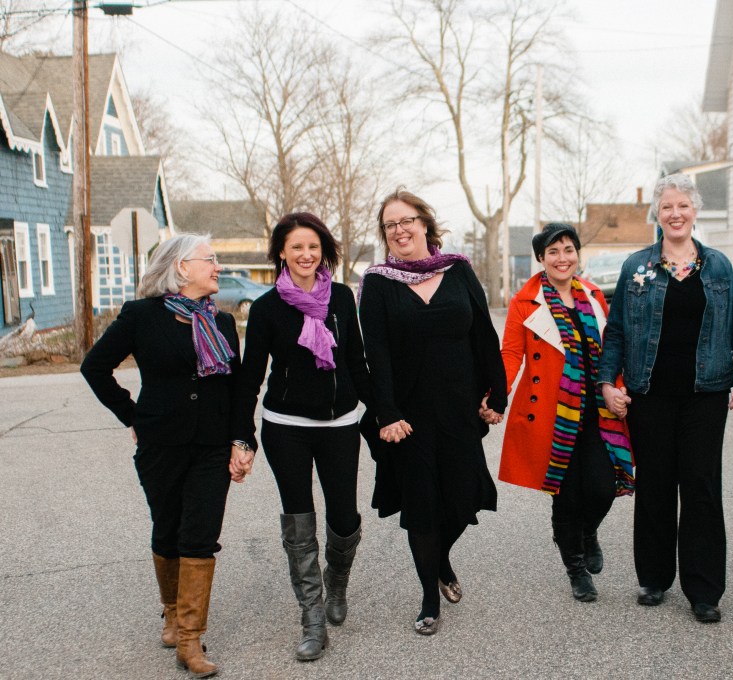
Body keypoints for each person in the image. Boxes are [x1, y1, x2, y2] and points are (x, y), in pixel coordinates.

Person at [598, 173, 733, 624]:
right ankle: (653, 578)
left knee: (701, 487)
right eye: (667, 206)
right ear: (657, 212)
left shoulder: (719, 267)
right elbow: (617, 331)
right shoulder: (637, 267)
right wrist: (607, 383)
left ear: (695, 211)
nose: (675, 214)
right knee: (655, 485)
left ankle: (704, 590)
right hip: (649, 394)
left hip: (705, 395)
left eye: (683, 206)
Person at [81, 234, 242, 678]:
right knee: (168, 529)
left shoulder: (223, 322)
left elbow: (235, 388)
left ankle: (190, 640)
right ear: (181, 267)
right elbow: (95, 367)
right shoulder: (141, 316)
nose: (218, 267)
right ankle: (171, 614)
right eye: (210, 259)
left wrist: (240, 441)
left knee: (200, 535)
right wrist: (132, 415)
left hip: (211, 445)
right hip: (160, 445)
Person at [358, 188, 507, 636]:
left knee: (465, 496)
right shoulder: (378, 282)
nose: (399, 230)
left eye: (406, 220)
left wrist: (497, 394)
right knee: (422, 504)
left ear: (425, 223)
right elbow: (376, 353)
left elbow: (484, 336)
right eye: (390, 225)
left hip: (460, 408)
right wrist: (386, 412)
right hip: (409, 416)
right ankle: (428, 598)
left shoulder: (458, 271)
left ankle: (440, 558)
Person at [230, 213, 373, 660]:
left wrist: (385, 413)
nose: (306, 254)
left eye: (313, 246)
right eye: (296, 247)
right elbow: (251, 376)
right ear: (282, 253)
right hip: (286, 426)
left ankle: (337, 584)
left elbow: (356, 362)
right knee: (299, 520)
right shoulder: (267, 307)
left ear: (323, 250)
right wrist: (242, 435)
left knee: (344, 518)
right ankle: (312, 617)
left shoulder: (342, 298)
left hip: (340, 424)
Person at [497, 223, 634, 602]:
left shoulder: (593, 295)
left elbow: (613, 349)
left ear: (577, 255)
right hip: (554, 416)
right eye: (553, 252)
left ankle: (587, 532)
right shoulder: (525, 301)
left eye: (568, 250)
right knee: (567, 494)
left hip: (598, 411)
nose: (562, 258)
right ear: (541, 259)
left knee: (604, 488)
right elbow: (511, 354)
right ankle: (576, 569)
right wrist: (495, 397)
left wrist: (619, 387)